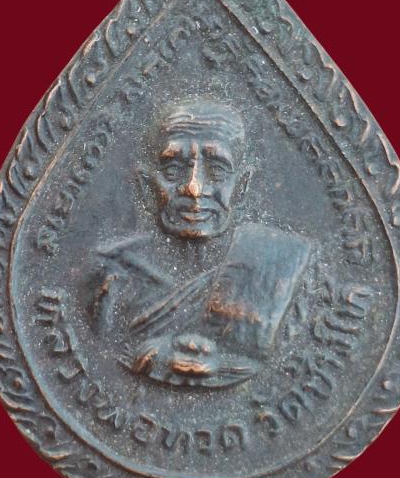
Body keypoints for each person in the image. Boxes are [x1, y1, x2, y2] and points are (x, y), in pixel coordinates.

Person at [96, 99, 311, 388]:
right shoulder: (112, 275)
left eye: (217, 171)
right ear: (147, 185)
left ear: (242, 186)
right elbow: (102, 350)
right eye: (173, 171)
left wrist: (227, 365)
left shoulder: (281, 266)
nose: (194, 188)